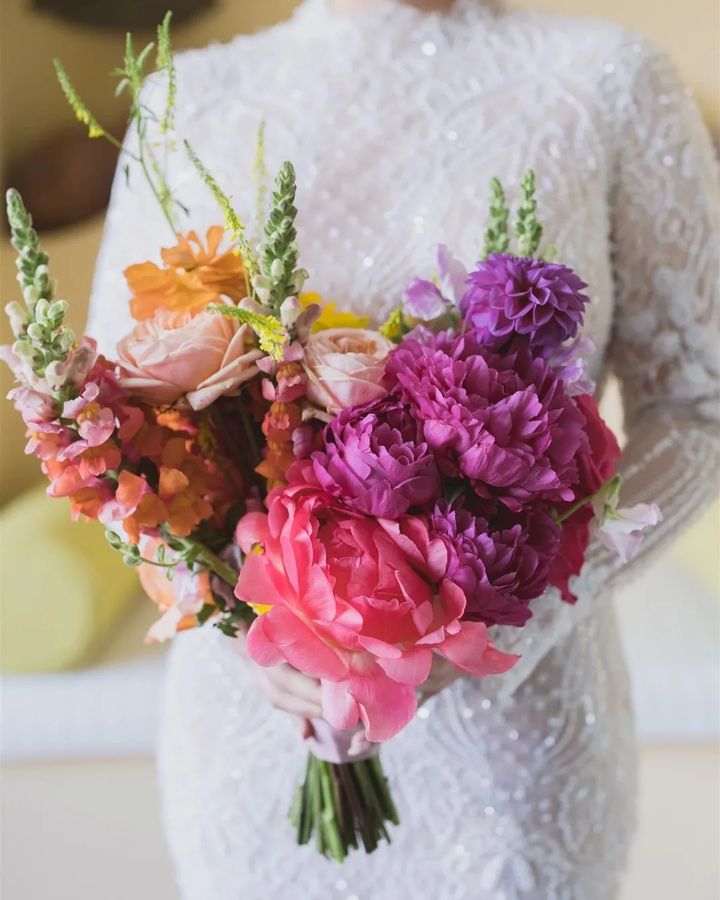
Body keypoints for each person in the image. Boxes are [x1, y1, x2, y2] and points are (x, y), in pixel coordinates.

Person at [87, 0, 719, 896]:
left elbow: (698, 403)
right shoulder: (185, 97)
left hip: (513, 744)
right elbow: (108, 428)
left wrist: (504, 621)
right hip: (256, 730)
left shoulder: (609, 80)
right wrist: (258, 627)